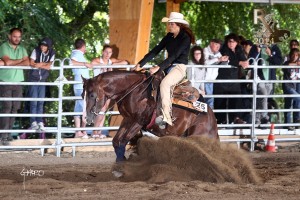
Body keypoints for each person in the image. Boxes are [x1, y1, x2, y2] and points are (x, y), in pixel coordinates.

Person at [133, 12, 195, 126]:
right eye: (169, 23)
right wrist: (140, 64)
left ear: (178, 25)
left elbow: (175, 55)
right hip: (168, 66)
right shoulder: (169, 36)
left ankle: (167, 118)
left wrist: (158, 67)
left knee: (165, 84)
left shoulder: (185, 38)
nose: (169, 25)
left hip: (179, 67)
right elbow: (155, 50)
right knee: (150, 81)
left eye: (171, 24)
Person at [91, 44, 129, 138]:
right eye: (106, 52)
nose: (108, 54)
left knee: (104, 109)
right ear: (102, 52)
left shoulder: (111, 61)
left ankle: (98, 132)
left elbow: (125, 62)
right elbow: (92, 64)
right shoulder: (97, 60)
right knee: (101, 109)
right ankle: (95, 132)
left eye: (110, 52)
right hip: (98, 87)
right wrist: (104, 65)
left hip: (107, 88)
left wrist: (112, 64)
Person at [0, 28, 29, 145]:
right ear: (9, 36)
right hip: (5, 81)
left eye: (19, 37)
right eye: (14, 36)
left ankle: (8, 134)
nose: (17, 39)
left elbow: (27, 62)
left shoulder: (22, 49)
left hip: (18, 81)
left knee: (15, 108)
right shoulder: (4, 46)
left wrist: (15, 61)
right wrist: (21, 60)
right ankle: (3, 135)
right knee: (7, 107)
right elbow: (7, 62)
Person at [214, 33, 249, 124]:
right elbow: (229, 60)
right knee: (220, 102)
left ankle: (235, 118)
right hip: (222, 80)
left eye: (233, 41)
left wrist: (244, 63)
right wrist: (240, 63)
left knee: (236, 99)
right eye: (229, 41)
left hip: (234, 80)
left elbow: (243, 60)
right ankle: (220, 121)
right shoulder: (224, 48)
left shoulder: (239, 49)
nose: (231, 43)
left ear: (237, 42)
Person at [249, 42, 283, 125]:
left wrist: (271, 54)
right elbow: (250, 61)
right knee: (263, 95)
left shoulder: (274, 47)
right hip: (259, 78)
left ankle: (257, 120)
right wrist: (257, 51)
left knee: (263, 99)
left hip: (270, 78)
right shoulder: (255, 46)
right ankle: (265, 117)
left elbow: (279, 62)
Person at [28, 37, 55, 131]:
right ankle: (33, 122)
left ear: (49, 47)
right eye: (42, 45)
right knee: (34, 101)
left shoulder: (52, 53)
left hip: (42, 80)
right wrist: (42, 64)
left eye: (45, 46)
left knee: (41, 101)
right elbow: (32, 63)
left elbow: (49, 66)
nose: (43, 47)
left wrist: (40, 64)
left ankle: (40, 121)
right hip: (33, 79)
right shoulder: (35, 50)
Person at [71, 38, 93, 138]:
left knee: (79, 107)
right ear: (83, 46)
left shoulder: (78, 54)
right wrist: (85, 64)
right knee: (84, 107)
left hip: (80, 84)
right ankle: (82, 130)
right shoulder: (76, 54)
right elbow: (72, 62)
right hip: (80, 85)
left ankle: (79, 131)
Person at [203, 39, 228, 109]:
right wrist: (219, 59)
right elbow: (205, 63)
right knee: (208, 99)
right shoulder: (205, 51)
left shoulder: (218, 53)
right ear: (211, 43)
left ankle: (209, 117)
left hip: (211, 80)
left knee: (209, 99)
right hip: (204, 80)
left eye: (219, 45)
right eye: (216, 44)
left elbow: (221, 64)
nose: (218, 47)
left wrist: (226, 61)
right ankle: (208, 117)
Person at [282, 48, 300, 130]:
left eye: (296, 55)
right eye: (293, 54)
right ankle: (294, 121)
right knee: (297, 98)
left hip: (295, 86)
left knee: (289, 104)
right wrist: (296, 64)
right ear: (290, 55)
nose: (294, 56)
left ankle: (288, 124)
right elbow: (286, 66)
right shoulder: (287, 63)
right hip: (288, 86)